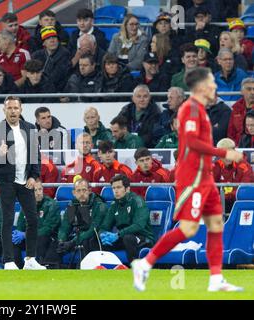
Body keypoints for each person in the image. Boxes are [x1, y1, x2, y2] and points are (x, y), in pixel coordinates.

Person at [131, 67, 245, 292]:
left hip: (206, 177)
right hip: (191, 178)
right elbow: (192, 143)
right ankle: (145, 263)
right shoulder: (190, 110)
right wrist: (224, 153)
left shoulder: (201, 110)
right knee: (189, 229)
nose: (214, 86)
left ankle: (215, 279)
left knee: (215, 224)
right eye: (211, 82)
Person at [0, 96, 45, 270]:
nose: (12, 111)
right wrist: (0, 154)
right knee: (8, 220)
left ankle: (31, 259)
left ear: (21, 110)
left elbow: (36, 155)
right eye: (9, 108)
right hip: (7, 182)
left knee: (33, 219)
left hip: (26, 181)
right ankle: (9, 261)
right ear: (4, 110)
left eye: (15, 108)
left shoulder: (30, 128)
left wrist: (34, 176)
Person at [45, 178, 106, 268]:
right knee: (56, 244)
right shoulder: (72, 205)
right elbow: (65, 227)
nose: (81, 193)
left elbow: (93, 230)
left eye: (84, 190)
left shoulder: (99, 205)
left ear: (89, 191)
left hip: (93, 239)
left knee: (87, 241)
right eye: (78, 191)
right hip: (77, 238)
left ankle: (84, 270)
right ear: (74, 193)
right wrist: (61, 240)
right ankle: (51, 271)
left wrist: (72, 242)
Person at [99, 174, 154, 263]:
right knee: (96, 240)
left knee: (128, 238)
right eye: (113, 188)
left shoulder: (137, 201)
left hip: (144, 238)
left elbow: (138, 225)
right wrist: (102, 234)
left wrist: (118, 235)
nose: (116, 191)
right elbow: (105, 225)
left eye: (119, 187)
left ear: (127, 189)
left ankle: (134, 269)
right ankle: (103, 271)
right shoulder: (114, 204)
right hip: (123, 237)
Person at [12, 179, 60, 268]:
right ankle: (17, 268)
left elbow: (47, 229)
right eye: (35, 190)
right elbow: (20, 225)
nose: (38, 193)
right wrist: (17, 234)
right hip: (30, 237)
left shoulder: (51, 205)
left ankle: (38, 266)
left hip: (47, 238)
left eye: (40, 189)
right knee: (13, 241)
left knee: (40, 238)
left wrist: (26, 235)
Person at [213, 138, 253, 214]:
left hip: (239, 202)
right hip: (220, 202)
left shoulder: (244, 166)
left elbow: (244, 190)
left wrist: (223, 196)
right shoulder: (216, 166)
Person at [32, 26, 71, 92]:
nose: (52, 40)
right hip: (39, 88)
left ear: (58, 40)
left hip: (57, 89)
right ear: (43, 43)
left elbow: (57, 77)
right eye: (48, 38)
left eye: (54, 37)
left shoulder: (64, 54)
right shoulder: (36, 55)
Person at [227, 78, 254, 146]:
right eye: (249, 89)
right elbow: (231, 132)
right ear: (242, 91)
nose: (252, 92)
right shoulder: (236, 107)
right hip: (237, 148)